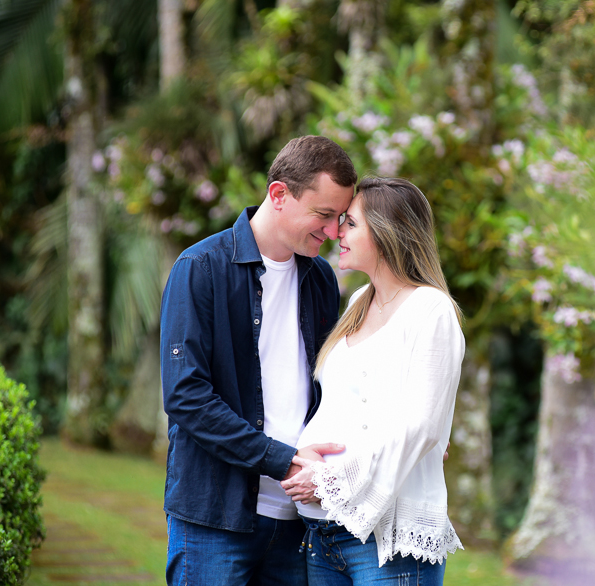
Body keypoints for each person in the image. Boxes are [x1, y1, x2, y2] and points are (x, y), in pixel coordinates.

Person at [159, 135, 357, 586]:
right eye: (324, 215)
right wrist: (282, 460)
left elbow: (338, 387)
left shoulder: (321, 279)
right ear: (279, 195)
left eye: (340, 219)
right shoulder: (201, 268)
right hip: (215, 518)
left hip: (299, 521)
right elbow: (186, 397)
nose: (332, 232)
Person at [281, 176, 465, 586]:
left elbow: (422, 426)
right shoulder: (358, 302)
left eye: (349, 223)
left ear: (386, 233)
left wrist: (328, 479)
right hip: (322, 533)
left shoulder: (430, 310)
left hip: (385, 542)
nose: (335, 232)